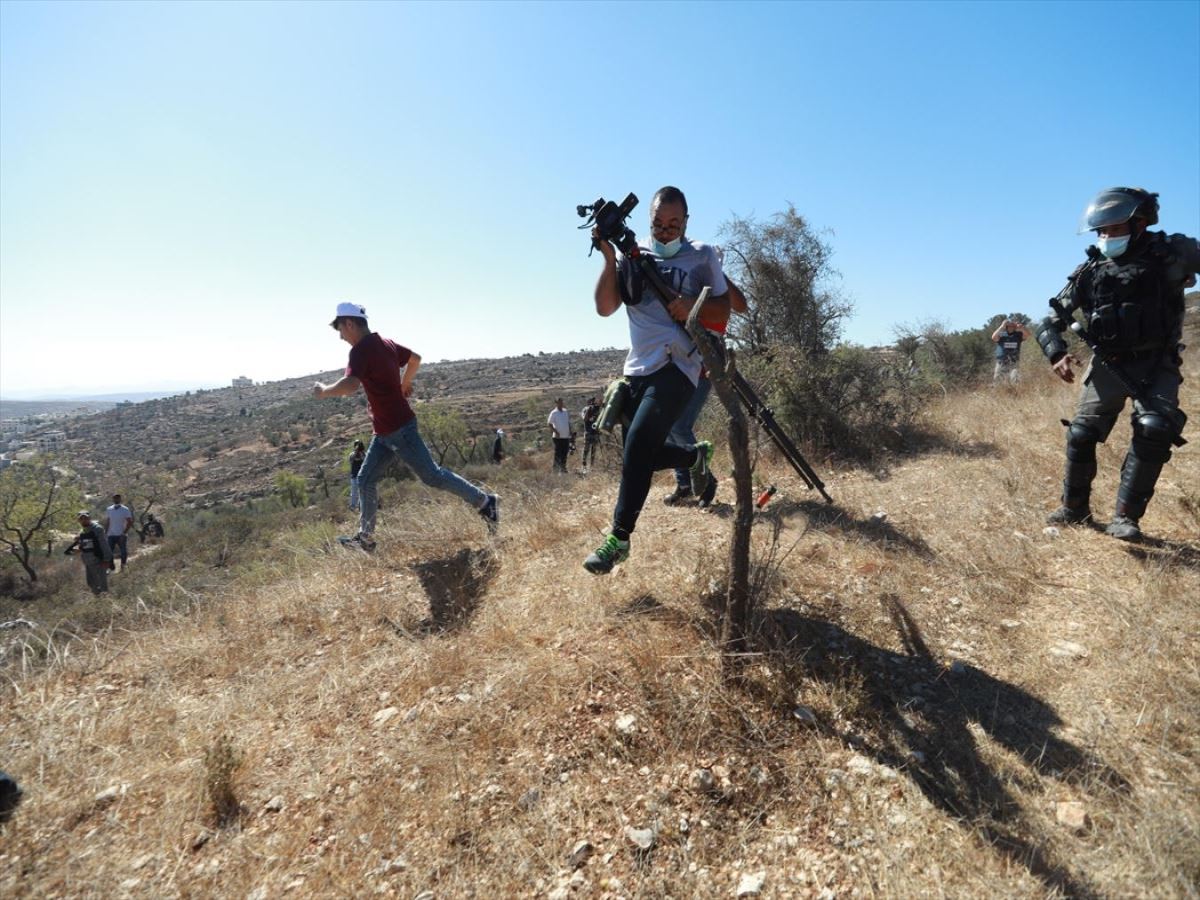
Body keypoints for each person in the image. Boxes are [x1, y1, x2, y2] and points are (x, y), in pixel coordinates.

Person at [1036, 187, 1199, 541]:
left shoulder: (1173, 254)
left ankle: (1126, 518)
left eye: (1113, 229)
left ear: (1140, 223)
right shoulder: (1091, 270)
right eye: (1101, 231)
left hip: (1156, 364)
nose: (1105, 237)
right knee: (1080, 434)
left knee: (1154, 428)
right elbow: (1050, 320)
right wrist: (1056, 353)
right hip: (1107, 365)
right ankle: (1074, 509)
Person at [584, 185, 731, 574]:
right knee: (642, 453)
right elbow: (604, 308)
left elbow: (725, 308)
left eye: (674, 224)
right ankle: (693, 456)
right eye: (659, 224)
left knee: (636, 449)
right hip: (638, 368)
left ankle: (619, 537)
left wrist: (692, 306)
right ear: (648, 221)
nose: (666, 231)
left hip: (679, 366)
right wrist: (609, 255)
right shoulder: (636, 257)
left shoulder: (701, 255)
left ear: (686, 222)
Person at [314, 302, 499, 551]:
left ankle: (485, 502)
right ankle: (365, 539)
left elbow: (350, 385)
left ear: (349, 323)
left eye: (340, 329)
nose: (340, 336)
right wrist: (404, 383)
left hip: (399, 429)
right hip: (385, 432)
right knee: (365, 479)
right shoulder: (387, 344)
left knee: (432, 476)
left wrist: (325, 391)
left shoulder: (361, 351)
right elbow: (416, 359)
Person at [663, 271, 748, 506]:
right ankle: (685, 484)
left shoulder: (718, 296)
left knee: (680, 426)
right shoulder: (690, 290)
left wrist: (719, 274)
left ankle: (705, 479)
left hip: (703, 368)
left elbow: (741, 305)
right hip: (678, 366)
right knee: (671, 426)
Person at [65, 511, 114, 595]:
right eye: (81, 519)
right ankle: (99, 602)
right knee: (91, 583)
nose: (84, 520)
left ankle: (106, 602)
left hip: (99, 560)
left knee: (102, 585)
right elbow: (87, 544)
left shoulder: (97, 529)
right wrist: (79, 548)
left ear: (90, 518)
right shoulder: (82, 531)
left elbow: (104, 545)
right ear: (78, 520)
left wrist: (106, 560)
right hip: (88, 561)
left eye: (86, 518)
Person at [990, 316, 1032, 384]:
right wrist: (1002, 326)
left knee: (1015, 379)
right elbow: (993, 337)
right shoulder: (1001, 334)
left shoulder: (1018, 335)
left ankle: (1016, 393)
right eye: (1009, 325)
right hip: (1001, 362)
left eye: (1013, 325)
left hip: (1014, 362)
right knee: (997, 381)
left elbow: (1028, 335)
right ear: (1006, 326)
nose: (1011, 327)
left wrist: (1022, 328)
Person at [104, 493, 134, 571]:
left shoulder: (125, 509)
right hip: (111, 534)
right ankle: (111, 566)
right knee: (109, 552)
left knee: (123, 551)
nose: (116, 499)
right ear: (113, 499)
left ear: (120, 499)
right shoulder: (109, 509)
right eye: (115, 498)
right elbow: (108, 521)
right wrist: (106, 532)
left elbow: (130, 521)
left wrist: (124, 532)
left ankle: (123, 566)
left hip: (121, 534)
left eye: (118, 498)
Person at [547, 398, 571, 474]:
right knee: (558, 454)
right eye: (559, 402)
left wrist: (571, 432)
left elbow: (568, 423)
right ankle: (555, 470)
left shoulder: (565, 411)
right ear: (556, 403)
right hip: (557, 437)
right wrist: (556, 432)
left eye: (561, 402)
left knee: (565, 453)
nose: (561, 403)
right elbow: (549, 424)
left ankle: (563, 469)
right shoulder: (553, 413)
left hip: (566, 436)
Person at [581, 397, 600, 471]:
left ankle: (592, 465)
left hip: (595, 432)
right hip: (588, 432)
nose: (592, 403)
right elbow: (584, 419)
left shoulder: (596, 409)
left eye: (593, 402)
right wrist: (588, 410)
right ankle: (584, 465)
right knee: (586, 449)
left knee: (594, 450)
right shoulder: (585, 409)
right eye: (590, 401)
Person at [348, 440, 366, 511]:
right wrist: (356, 452)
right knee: (354, 493)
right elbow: (351, 460)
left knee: (363, 491)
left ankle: (361, 506)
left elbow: (364, 460)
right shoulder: (352, 454)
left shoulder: (364, 454)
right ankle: (353, 506)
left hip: (363, 476)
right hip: (354, 476)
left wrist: (360, 453)